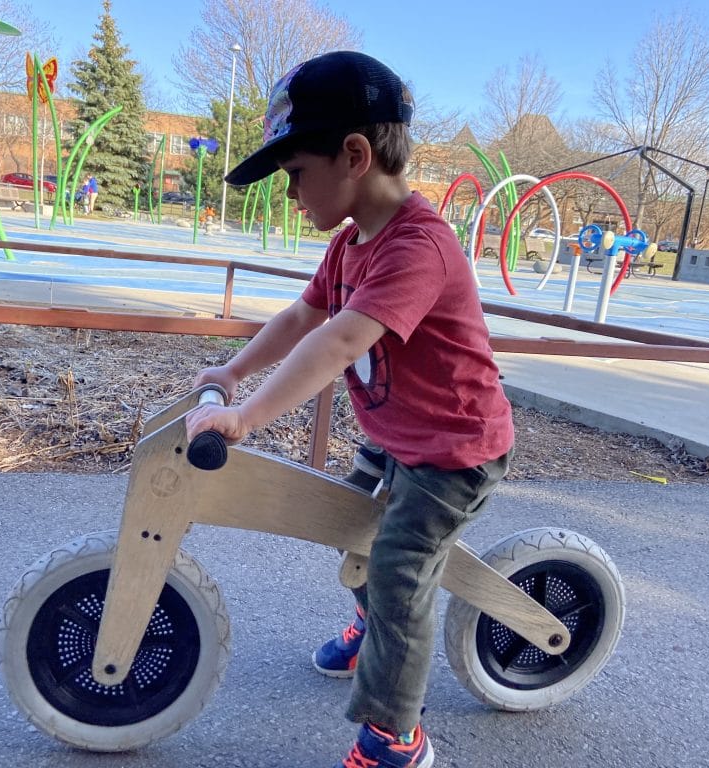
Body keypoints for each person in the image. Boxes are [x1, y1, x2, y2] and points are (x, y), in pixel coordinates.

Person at [185, 51, 514, 768]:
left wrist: (244, 419)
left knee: (398, 565)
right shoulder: (347, 246)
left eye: (297, 173)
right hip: (397, 437)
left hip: (455, 450)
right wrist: (233, 372)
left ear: (354, 155)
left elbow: (336, 344)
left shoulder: (417, 247)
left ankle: (399, 738)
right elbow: (304, 317)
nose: (291, 192)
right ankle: (377, 629)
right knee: (348, 522)